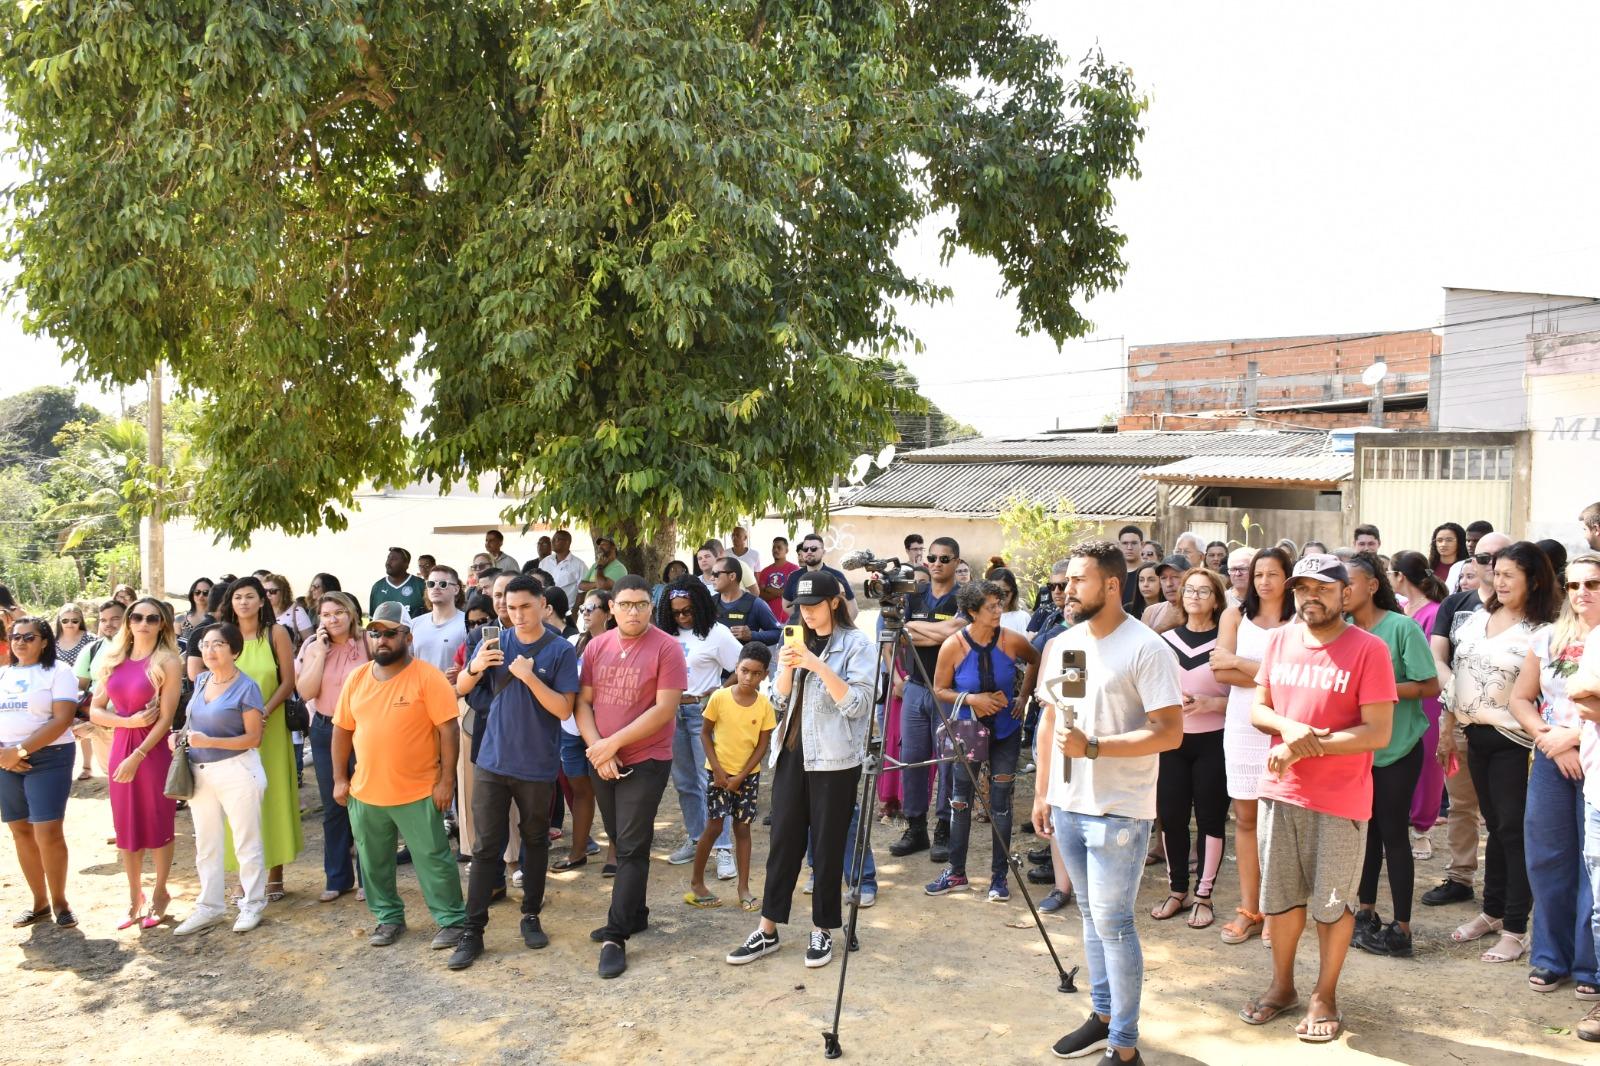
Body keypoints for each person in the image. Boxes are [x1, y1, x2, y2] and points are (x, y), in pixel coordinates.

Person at [1030, 541, 1182, 1063]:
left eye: (1078, 581)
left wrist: (1095, 747)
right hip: (1070, 805)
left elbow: (1169, 732)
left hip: (1120, 809)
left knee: (1114, 924)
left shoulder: (1145, 648)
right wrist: (1044, 791)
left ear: (1112, 585)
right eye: (1068, 580)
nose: (1067, 590)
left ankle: (1124, 1046)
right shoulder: (1068, 643)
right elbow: (1055, 719)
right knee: (1092, 920)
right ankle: (1101, 1016)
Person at [1241, 553, 1397, 1044]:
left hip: (1340, 802)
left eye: (1323, 588)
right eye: (1302, 588)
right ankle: (1282, 986)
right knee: (1283, 900)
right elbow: (1258, 709)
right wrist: (1288, 729)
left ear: (1345, 594)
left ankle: (1324, 996)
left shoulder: (1368, 650)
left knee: (1332, 903)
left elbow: (1377, 732)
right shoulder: (1278, 640)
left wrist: (1303, 746)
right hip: (1281, 795)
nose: (1311, 596)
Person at [726, 569, 874, 971]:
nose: (805, 614)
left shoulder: (857, 644)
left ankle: (822, 929)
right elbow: (776, 699)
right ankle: (767, 929)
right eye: (800, 607)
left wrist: (818, 665)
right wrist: (790, 667)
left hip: (835, 759)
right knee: (784, 843)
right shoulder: (794, 640)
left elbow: (859, 704)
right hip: (792, 754)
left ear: (833, 603)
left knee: (826, 847)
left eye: (812, 606)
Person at [449, 576, 580, 969]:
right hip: (492, 760)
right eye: (511, 606)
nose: (518, 614)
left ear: (543, 605)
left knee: (535, 840)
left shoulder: (559, 650)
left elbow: (563, 709)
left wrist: (528, 676)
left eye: (526, 606)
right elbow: (460, 688)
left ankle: (531, 915)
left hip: (537, 764)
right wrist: (474, 668)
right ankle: (473, 931)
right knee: (486, 846)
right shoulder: (494, 643)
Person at [1439, 540, 1557, 964]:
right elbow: (1458, 679)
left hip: (1515, 741)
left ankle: (1515, 928)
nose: (1498, 580)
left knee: (1512, 832)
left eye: (1510, 575)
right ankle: (1491, 912)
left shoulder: (1544, 630)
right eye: (1496, 571)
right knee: (1494, 827)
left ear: (1534, 580)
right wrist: (1448, 729)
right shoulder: (1477, 619)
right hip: (1474, 736)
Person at [332, 601, 466, 954]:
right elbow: (342, 731)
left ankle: (452, 921)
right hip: (366, 792)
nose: (381, 640)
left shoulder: (427, 677)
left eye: (390, 633)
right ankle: (388, 917)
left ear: (407, 636)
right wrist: (339, 779)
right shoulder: (356, 679)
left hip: (419, 791)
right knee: (372, 862)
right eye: (374, 633)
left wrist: (446, 781)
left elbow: (448, 731)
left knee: (434, 859)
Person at [575, 575, 687, 979]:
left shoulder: (667, 648)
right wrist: (597, 748)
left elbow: (664, 710)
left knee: (632, 847)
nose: (633, 611)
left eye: (641, 604)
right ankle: (635, 913)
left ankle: (615, 936)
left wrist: (612, 745)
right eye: (625, 604)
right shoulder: (597, 646)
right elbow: (583, 704)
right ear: (612, 607)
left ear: (650, 607)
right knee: (620, 838)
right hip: (602, 758)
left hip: (646, 759)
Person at [1511, 551, 1600, 997]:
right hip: (1551, 758)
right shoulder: (1549, 637)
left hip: (1594, 757)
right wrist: (1549, 738)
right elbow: (1521, 699)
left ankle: (1590, 965)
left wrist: (1575, 739)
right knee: (1547, 859)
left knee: (1593, 864)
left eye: (1593, 584)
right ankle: (1549, 958)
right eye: (1574, 585)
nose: (1582, 592)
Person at [1345, 554, 1439, 959]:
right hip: (1355, 752)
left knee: (1394, 835)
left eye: (1348, 583)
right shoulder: (1341, 631)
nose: (1342, 591)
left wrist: (1378, 690)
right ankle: (1365, 912)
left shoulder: (1402, 628)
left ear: (1372, 584)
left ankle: (1401, 929)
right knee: (1364, 836)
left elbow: (1429, 684)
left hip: (1398, 750)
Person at [925, 580, 1040, 902]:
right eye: (991, 606)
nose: (998, 610)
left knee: (1001, 805)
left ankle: (999, 877)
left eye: (1000, 604)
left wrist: (1023, 696)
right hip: (969, 734)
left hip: (1006, 730)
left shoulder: (1010, 640)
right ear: (973, 611)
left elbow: (1035, 658)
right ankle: (956, 872)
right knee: (961, 800)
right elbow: (939, 689)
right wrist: (973, 699)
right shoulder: (954, 645)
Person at [1210, 545, 1295, 945]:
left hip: (1284, 726)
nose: (1263, 580)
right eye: (1258, 573)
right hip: (1242, 726)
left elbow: (1296, 680)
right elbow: (1220, 672)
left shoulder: (1300, 620)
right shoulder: (1234, 615)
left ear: (1287, 578)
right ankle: (1251, 909)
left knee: (1282, 826)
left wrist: (1242, 663)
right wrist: (1269, 673)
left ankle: (1279, 911)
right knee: (1245, 819)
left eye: (1272, 573)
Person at [1424, 531, 1511, 907]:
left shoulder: (1526, 608)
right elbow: (1437, 657)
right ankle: (1460, 877)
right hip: (1457, 718)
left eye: (1498, 556)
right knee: (1462, 804)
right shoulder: (1456, 603)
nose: (1488, 563)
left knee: (1505, 812)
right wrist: (1460, 692)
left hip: (1510, 725)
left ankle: (1506, 886)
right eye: (1482, 557)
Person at [173, 624, 272, 935]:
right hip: (200, 772)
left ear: (234, 650)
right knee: (206, 843)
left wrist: (208, 742)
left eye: (218, 644)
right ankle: (210, 906)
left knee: (246, 841)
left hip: (237, 770)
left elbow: (253, 738)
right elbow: (195, 725)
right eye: (205, 645)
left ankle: (252, 903)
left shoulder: (247, 687)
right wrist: (182, 737)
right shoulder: (201, 680)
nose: (209, 651)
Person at [90, 599, 183, 929]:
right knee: (126, 825)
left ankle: (160, 893)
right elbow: (96, 709)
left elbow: (167, 717)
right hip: (121, 746)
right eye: (138, 616)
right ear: (129, 622)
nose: (144, 622)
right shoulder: (113, 659)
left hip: (152, 751)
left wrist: (138, 753)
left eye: (152, 618)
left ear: (162, 624)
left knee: (158, 822)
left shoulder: (169, 662)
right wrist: (126, 724)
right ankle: (134, 899)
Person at [1149, 567, 1230, 930]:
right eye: (1189, 590)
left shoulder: (1228, 644)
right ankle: (1177, 889)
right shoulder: (1164, 640)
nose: (1194, 596)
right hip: (1173, 740)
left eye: (1203, 591)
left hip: (1214, 741)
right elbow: (1147, 690)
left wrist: (1212, 703)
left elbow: (1249, 697)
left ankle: (1204, 895)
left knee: (1211, 818)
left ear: (1216, 600)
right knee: (1172, 814)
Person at [218, 576, 302, 902]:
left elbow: (287, 681)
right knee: (238, 799)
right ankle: (245, 874)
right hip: (231, 730)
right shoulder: (224, 637)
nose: (244, 602)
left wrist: (263, 712)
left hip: (271, 727)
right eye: (238, 597)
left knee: (273, 795)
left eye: (250, 596)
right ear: (231, 602)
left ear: (262, 600)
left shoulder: (275, 633)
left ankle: (275, 872)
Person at [656, 579, 742, 876]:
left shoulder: (717, 634)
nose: (682, 617)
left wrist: (718, 694)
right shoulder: (663, 634)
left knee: (713, 782)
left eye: (688, 611)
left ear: (701, 606)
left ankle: (722, 848)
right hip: (669, 713)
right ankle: (696, 838)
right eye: (676, 612)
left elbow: (743, 666)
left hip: (701, 713)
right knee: (684, 782)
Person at [0, 616, 81, 930]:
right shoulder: (3, 674)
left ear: (45, 641)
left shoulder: (59, 672)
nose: (21, 642)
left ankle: (60, 901)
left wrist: (18, 752)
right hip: (5, 761)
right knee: (20, 831)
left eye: (29, 637)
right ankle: (39, 903)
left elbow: (62, 720)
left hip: (50, 758)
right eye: (16, 636)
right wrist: (4, 756)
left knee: (47, 832)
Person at [888, 535, 963, 860]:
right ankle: (915, 827)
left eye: (944, 559)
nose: (935, 564)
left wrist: (920, 630)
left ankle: (944, 829)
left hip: (950, 690)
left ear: (957, 562)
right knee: (913, 759)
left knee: (947, 762)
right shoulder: (915, 594)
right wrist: (938, 633)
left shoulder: (964, 597)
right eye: (931, 558)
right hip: (915, 686)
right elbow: (901, 634)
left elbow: (958, 635)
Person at [686, 643, 775, 911]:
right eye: (744, 671)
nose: (749, 678)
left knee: (743, 830)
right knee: (713, 827)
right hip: (718, 775)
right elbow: (705, 733)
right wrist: (719, 771)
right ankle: (696, 883)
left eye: (756, 673)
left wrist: (740, 777)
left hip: (747, 777)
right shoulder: (719, 698)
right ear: (736, 667)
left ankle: (744, 888)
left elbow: (762, 745)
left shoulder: (763, 705)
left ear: (765, 675)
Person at [295, 591, 370, 902]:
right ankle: (338, 878)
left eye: (338, 612)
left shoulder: (368, 641)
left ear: (351, 613)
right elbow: (306, 691)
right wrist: (320, 653)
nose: (333, 619)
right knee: (333, 804)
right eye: (326, 615)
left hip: (366, 729)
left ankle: (370, 879)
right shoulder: (313, 647)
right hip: (326, 728)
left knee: (366, 805)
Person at [1388, 551, 1450, 860]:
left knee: (1427, 762)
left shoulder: (1434, 612)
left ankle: (1422, 830)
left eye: (1390, 572)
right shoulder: (1397, 610)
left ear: (1400, 576)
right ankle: (1393, 826)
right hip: (1394, 698)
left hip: (1425, 698)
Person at [557, 590, 612, 871]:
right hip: (570, 729)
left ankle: (615, 853)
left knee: (611, 791)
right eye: (583, 608)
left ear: (609, 611)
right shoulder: (570, 643)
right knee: (580, 790)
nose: (586, 612)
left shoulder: (616, 644)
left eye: (592, 607)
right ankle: (578, 851)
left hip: (605, 729)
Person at [73, 599, 125, 777]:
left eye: (115, 618)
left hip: (134, 724)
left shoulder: (141, 648)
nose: (108, 624)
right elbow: (79, 688)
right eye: (103, 620)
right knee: (112, 774)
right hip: (100, 725)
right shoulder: (92, 649)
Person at [53, 605, 93, 779]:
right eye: (65, 620)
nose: (70, 624)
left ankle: (87, 766)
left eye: (75, 620)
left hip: (84, 690)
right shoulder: (52, 640)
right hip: (58, 690)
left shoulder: (90, 639)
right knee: (59, 727)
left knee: (83, 728)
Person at [782, 532, 859, 622]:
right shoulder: (794, 576)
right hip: (801, 631)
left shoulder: (836, 576)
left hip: (828, 633)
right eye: (805, 549)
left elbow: (853, 609)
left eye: (814, 549)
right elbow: (786, 605)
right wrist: (802, 620)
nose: (809, 552)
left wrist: (838, 629)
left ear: (823, 552)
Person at [409, 564, 467, 674]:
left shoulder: (467, 624)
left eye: (443, 584)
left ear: (456, 589)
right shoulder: (414, 624)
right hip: (419, 689)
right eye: (431, 584)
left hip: (452, 690)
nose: (435, 588)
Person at [711, 558, 781, 647]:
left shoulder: (756, 604)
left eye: (716, 574)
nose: (711, 578)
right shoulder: (709, 603)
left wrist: (752, 635)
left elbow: (778, 633)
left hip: (744, 659)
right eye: (711, 574)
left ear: (732, 576)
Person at [370, 546, 427, 617]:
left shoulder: (420, 585)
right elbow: (372, 619)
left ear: (406, 564)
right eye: (388, 558)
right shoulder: (377, 587)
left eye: (394, 559)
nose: (388, 562)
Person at [538, 529, 587, 610]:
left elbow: (582, 593)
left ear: (567, 542)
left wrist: (574, 613)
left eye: (556, 539)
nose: (552, 542)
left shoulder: (579, 565)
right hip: (545, 610)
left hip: (567, 611)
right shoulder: (544, 562)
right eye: (552, 539)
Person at [1140, 554, 1189, 634]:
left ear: (1189, 578)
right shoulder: (1151, 612)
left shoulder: (1201, 611)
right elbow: (1141, 645)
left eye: (1175, 577)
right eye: (1163, 578)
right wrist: (1164, 626)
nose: (1168, 584)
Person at [757, 537, 800, 624]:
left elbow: (793, 593)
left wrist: (769, 589)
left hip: (788, 619)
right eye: (774, 547)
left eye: (779, 547)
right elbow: (761, 596)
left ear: (786, 550)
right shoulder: (765, 571)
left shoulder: (794, 569)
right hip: (768, 618)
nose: (776, 550)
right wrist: (782, 592)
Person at [264, 574, 313, 646]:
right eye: (264, 591)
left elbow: (310, 643)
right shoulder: (259, 611)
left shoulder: (297, 612)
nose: (268, 594)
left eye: (272, 591)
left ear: (283, 592)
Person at [989, 567, 1032, 635]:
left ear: (1013, 592)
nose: (998, 597)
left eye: (1004, 592)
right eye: (994, 592)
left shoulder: (1022, 618)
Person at [178, 577, 214, 650]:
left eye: (206, 593)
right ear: (192, 594)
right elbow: (173, 647)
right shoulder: (180, 619)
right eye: (197, 592)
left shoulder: (217, 620)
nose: (201, 595)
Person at [1430, 522, 1468, 589]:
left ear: (1459, 542)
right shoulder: (1428, 567)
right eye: (1439, 540)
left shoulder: (1467, 567)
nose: (1443, 544)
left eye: (1449, 540)